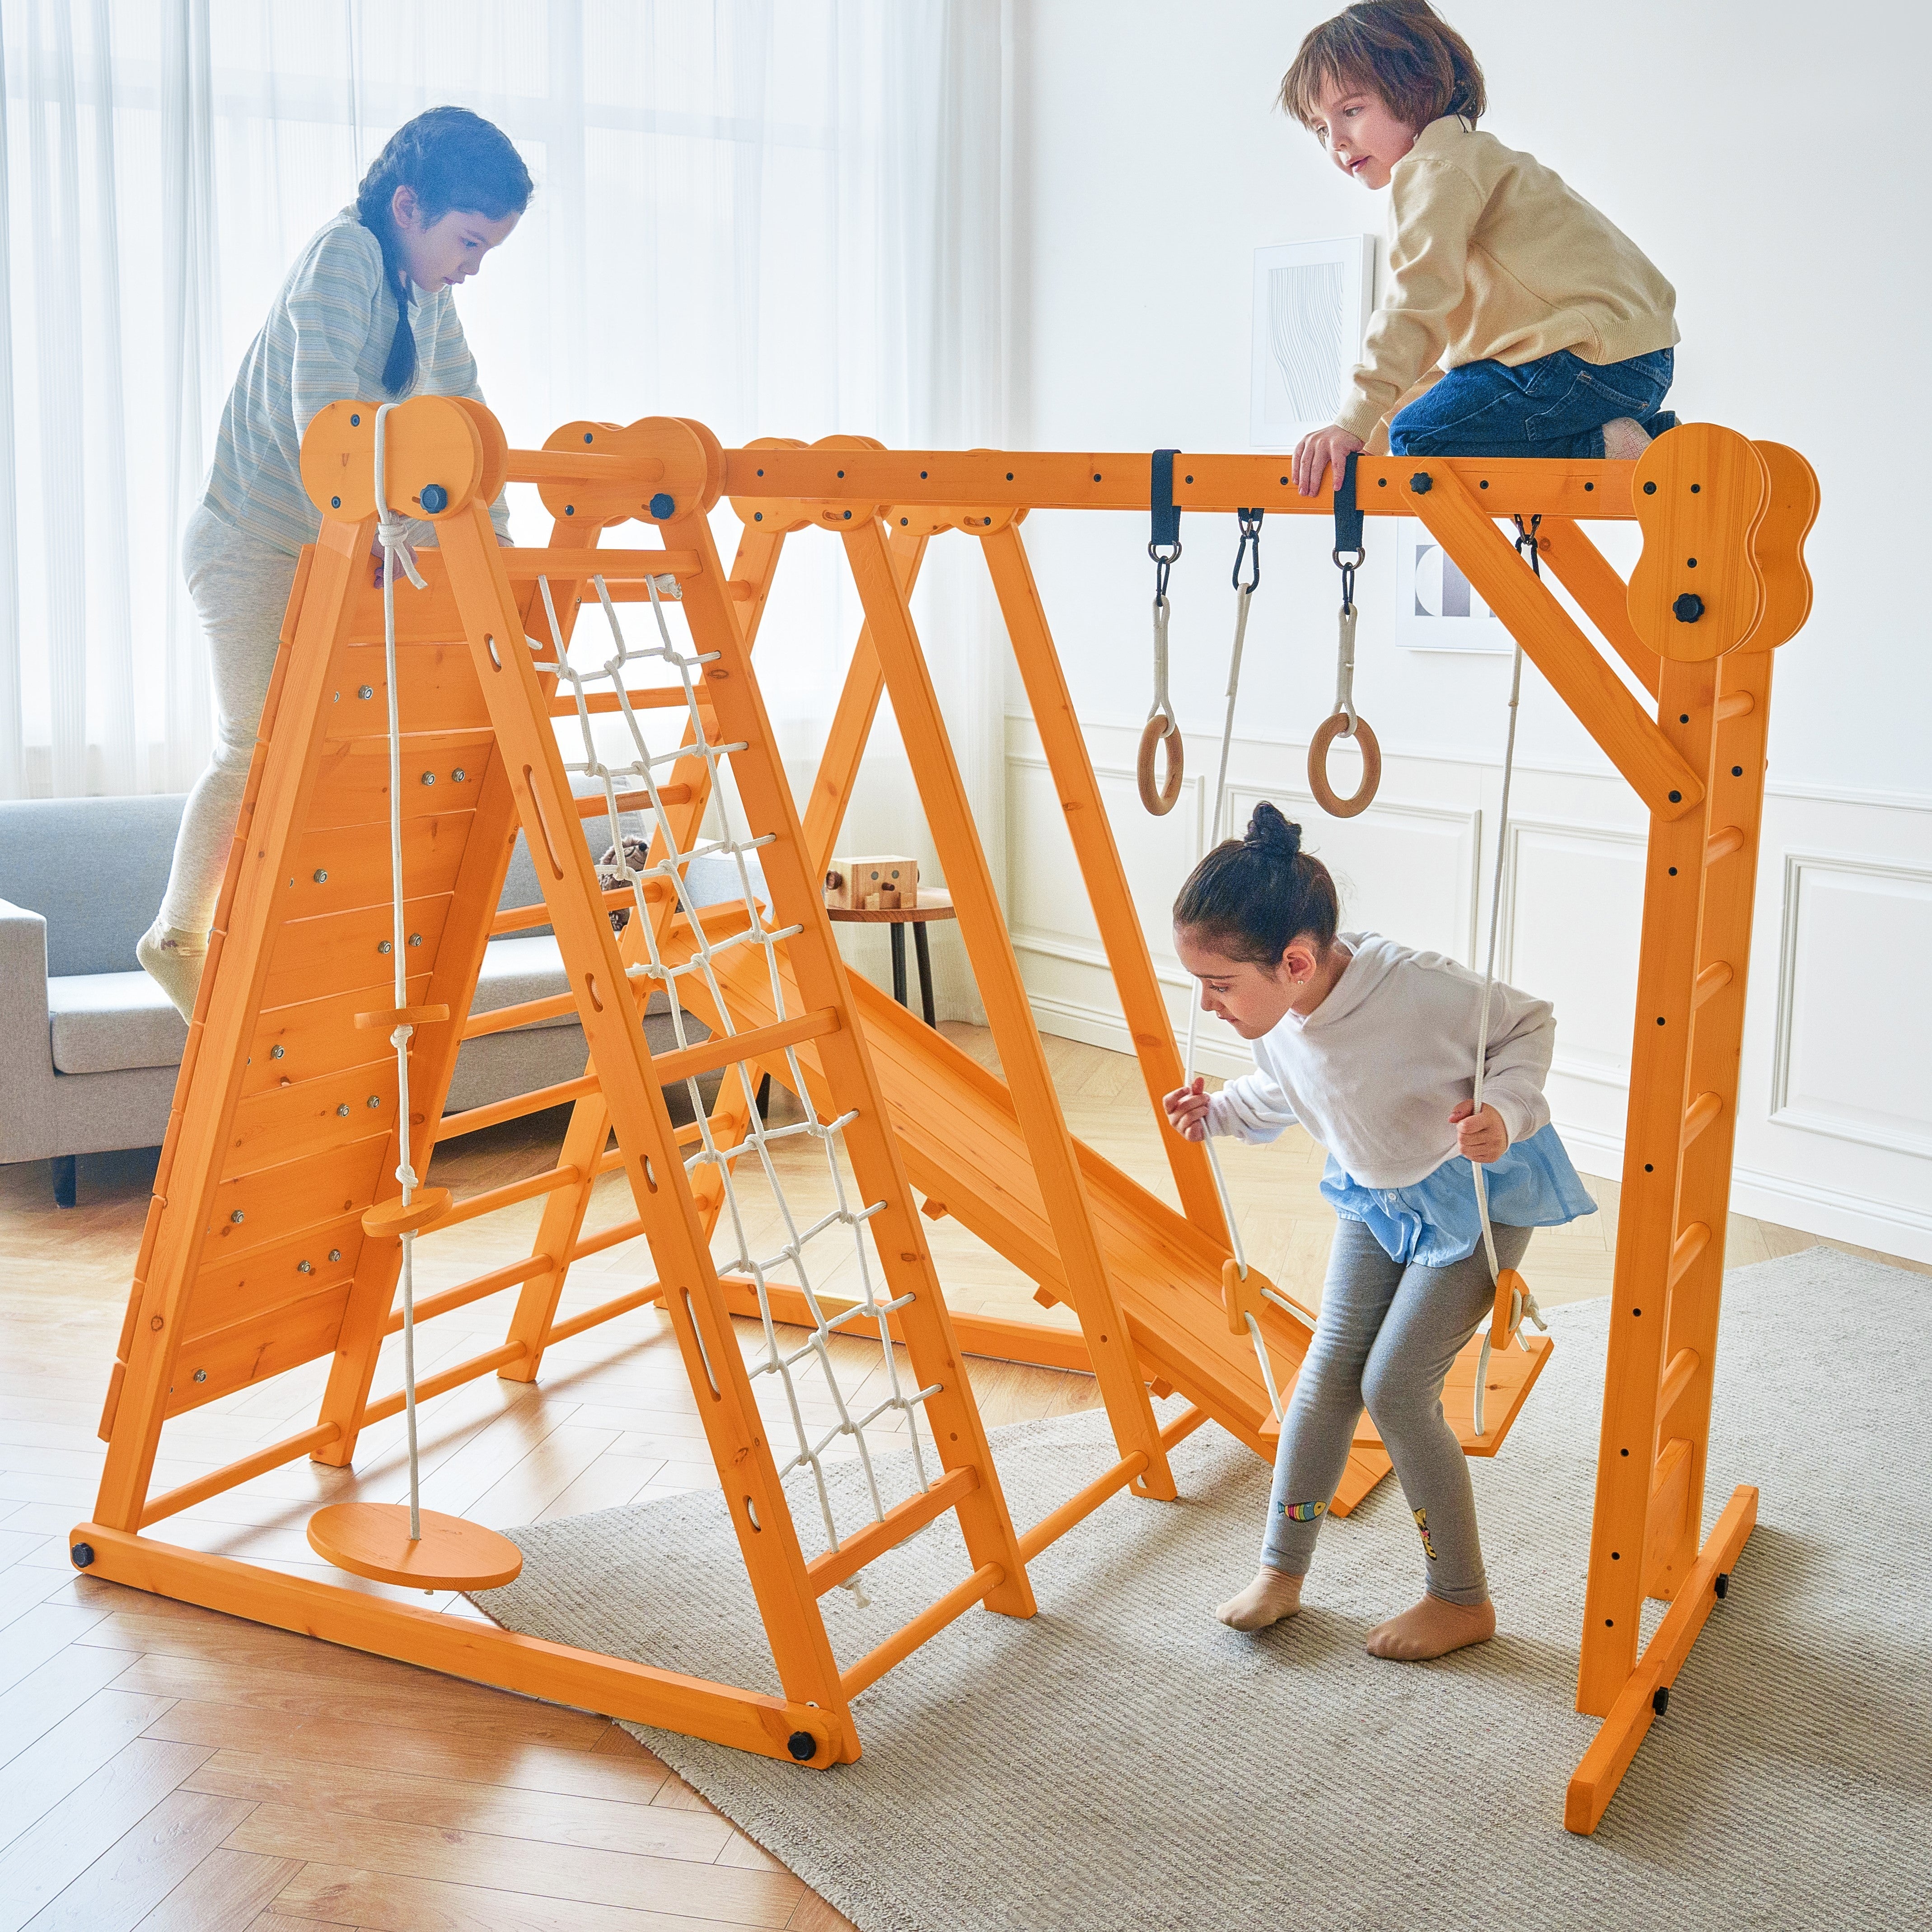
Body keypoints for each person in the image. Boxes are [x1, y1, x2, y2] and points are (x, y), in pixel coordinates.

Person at [1163, 803, 1595, 1659]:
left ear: (1294, 962)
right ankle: (1281, 1571)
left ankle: (1461, 1598)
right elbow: (1302, 1087)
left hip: (1474, 1194)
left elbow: (1528, 1024)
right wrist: (1219, 1111)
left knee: (1396, 1387)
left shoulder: (1417, 988)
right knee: (1328, 1372)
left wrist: (1503, 1113)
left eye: (1217, 984)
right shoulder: (1280, 1013)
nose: (1206, 1003)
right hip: (1376, 1191)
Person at [138, 106, 532, 1019]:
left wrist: (500, 548)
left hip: (328, 545)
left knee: (336, 744)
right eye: (468, 241)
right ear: (407, 205)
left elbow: (465, 421)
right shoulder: (344, 258)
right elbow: (320, 420)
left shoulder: (423, 296)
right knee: (259, 741)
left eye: (486, 251)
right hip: (253, 543)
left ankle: (283, 931)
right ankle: (178, 935)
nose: (472, 266)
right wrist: (385, 525)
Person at [1282, 0, 1679, 496]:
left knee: (1421, 441)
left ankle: (1605, 451)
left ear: (1417, 89)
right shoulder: (1473, 158)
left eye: (1351, 111)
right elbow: (1430, 349)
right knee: (1417, 423)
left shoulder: (1434, 169)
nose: (1336, 142)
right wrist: (1370, 436)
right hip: (1633, 366)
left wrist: (1355, 420)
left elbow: (1414, 304)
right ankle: (1658, 448)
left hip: (1576, 365)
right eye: (1320, 128)